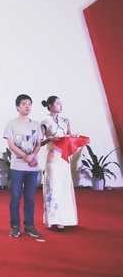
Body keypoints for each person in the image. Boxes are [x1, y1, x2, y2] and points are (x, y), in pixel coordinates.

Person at [4, 94, 42, 239]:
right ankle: (15, 226)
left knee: (30, 198)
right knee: (15, 197)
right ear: (17, 107)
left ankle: (29, 226)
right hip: (17, 167)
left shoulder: (36, 124)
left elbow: (38, 144)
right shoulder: (11, 124)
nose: (27, 106)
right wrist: (26, 157)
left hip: (32, 168)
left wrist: (33, 156)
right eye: (24, 104)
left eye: (29, 104)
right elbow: (11, 145)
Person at [40, 95, 78, 230]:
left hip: (64, 158)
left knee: (64, 186)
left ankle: (66, 218)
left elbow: (69, 136)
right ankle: (54, 219)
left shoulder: (65, 121)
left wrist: (73, 137)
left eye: (61, 103)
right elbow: (39, 142)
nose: (60, 106)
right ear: (50, 105)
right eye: (57, 103)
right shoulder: (45, 121)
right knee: (53, 186)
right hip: (52, 158)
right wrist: (50, 138)